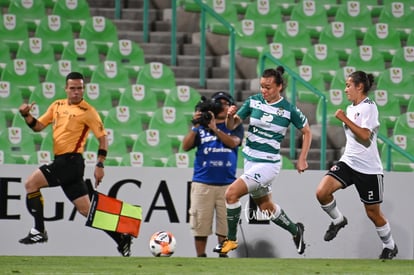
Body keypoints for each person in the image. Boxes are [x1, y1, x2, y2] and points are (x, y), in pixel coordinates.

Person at [18, 72, 132, 257]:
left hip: (71, 161)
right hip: (63, 162)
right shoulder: (57, 105)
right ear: (66, 89)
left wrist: (100, 164)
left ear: (83, 89)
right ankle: (121, 238)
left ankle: (39, 231)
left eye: (80, 88)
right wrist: (26, 115)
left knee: (31, 183)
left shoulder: (88, 111)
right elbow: (38, 126)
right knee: (85, 210)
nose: (77, 92)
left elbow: (103, 138)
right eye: (73, 88)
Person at [214, 66, 312, 256]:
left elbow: (307, 131)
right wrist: (229, 116)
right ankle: (295, 230)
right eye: (262, 86)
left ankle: (231, 241)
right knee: (266, 207)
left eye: (268, 87)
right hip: (251, 161)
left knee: (231, 194)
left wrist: (302, 158)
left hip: (268, 164)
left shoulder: (288, 110)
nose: (263, 91)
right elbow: (232, 125)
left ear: (279, 87)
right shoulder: (253, 102)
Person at [315, 71, 398, 260]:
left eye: (348, 85)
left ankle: (389, 245)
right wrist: (346, 116)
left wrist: (344, 118)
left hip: (369, 169)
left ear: (359, 87)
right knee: (321, 192)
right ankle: (338, 220)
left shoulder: (369, 107)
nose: (345, 90)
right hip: (348, 162)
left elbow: (365, 135)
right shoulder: (351, 107)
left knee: (373, 213)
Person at [182, 91, 244, 257]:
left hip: (227, 185)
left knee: (224, 226)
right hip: (203, 182)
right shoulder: (201, 127)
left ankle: (222, 257)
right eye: (219, 103)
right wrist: (196, 125)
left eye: (226, 103)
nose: (223, 106)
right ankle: (201, 258)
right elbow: (185, 146)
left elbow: (232, 143)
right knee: (200, 225)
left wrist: (215, 129)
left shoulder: (236, 125)